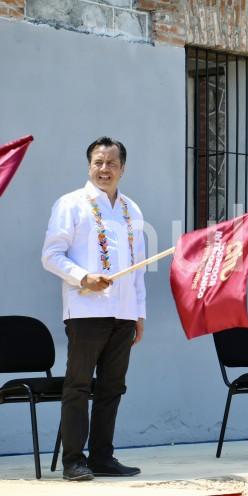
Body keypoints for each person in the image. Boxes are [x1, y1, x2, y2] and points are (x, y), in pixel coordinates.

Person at [41, 137, 146, 481]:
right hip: (86, 311)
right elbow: (51, 255)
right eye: (98, 162)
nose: (104, 169)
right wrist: (84, 277)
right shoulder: (71, 204)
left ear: (123, 169)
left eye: (111, 163)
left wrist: (139, 313)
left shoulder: (133, 210)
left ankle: (103, 457)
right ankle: (74, 460)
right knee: (79, 385)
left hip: (124, 313)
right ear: (89, 166)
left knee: (113, 387)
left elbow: (138, 267)